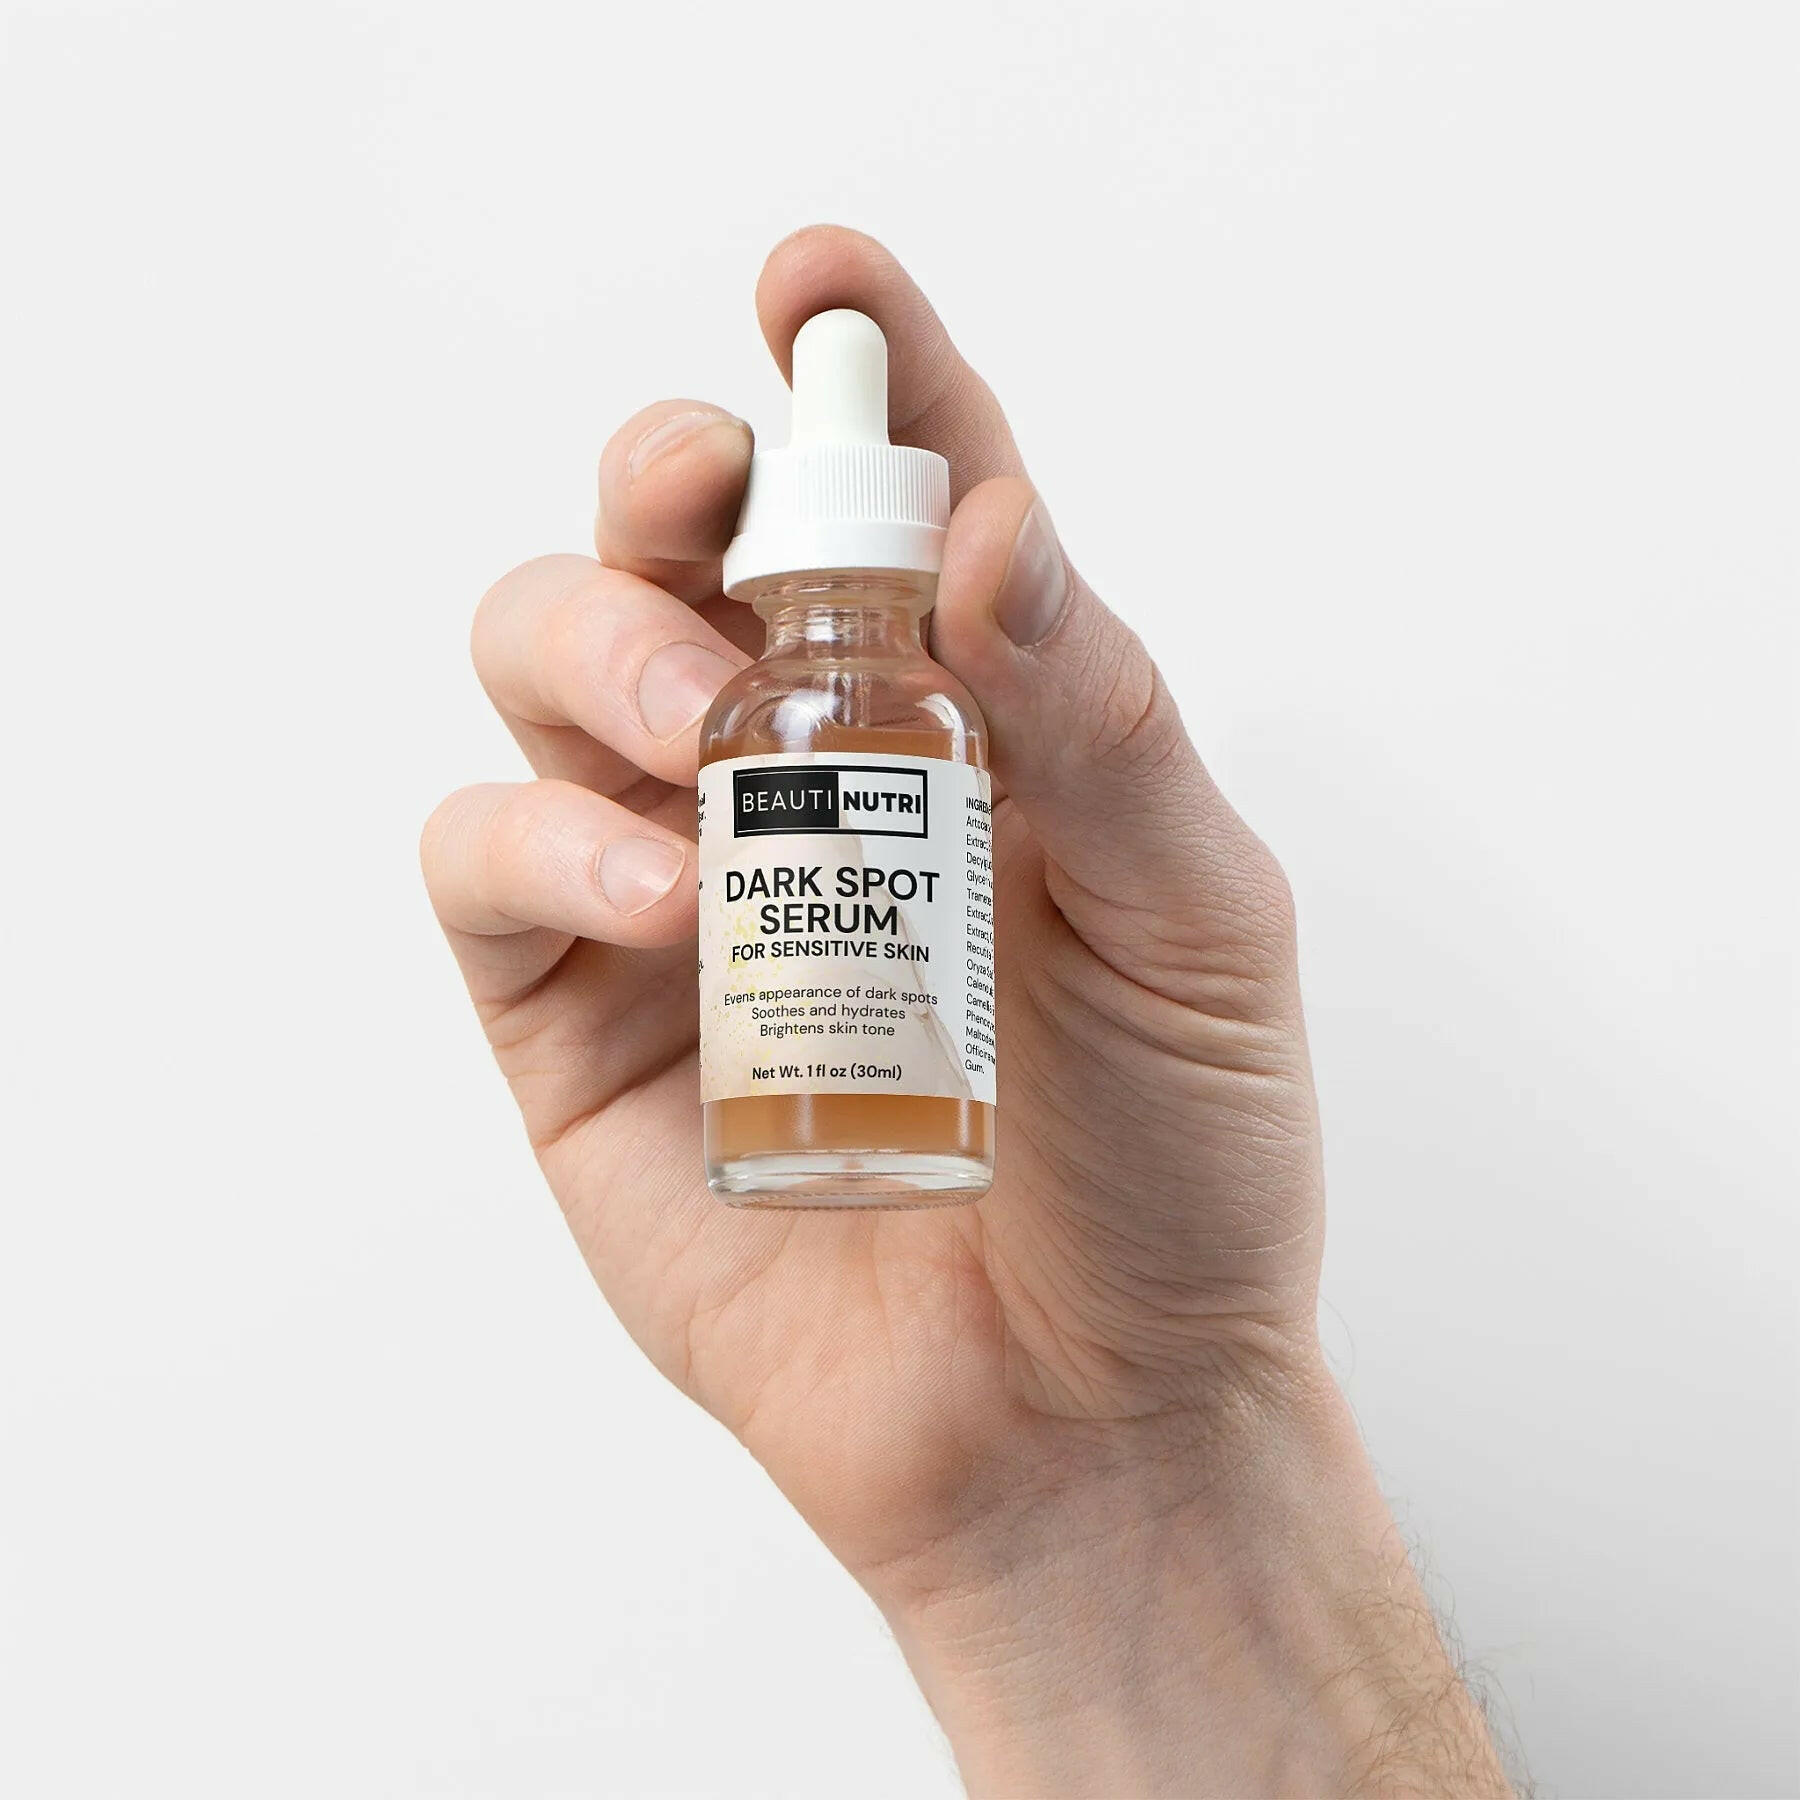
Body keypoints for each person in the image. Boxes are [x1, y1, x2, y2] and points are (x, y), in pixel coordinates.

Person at [420, 225, 1513, 1798]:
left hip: (946, 1153)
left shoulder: (938, 713)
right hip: (785, 1132)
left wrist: (1168, 1443)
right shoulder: (759, 713)